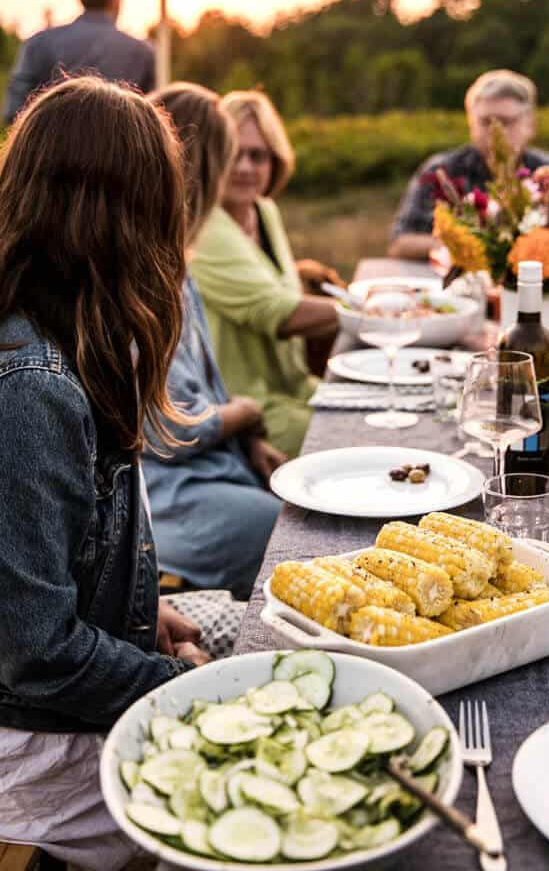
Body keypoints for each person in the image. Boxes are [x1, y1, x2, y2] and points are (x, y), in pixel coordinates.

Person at [0, 78, 209, 868]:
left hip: (54, 701)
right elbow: (35, 653)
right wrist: (172, 686)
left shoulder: (74, 338)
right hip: (32, 749)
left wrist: (143, 609)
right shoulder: (29, 390)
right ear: (123, 215)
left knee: (274, 638)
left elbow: (41, 569)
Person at [143, 83, 285, 598]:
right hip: (169, 493)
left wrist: (250, 442)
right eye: (226, 161)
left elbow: (205, 387)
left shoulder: (181, 268)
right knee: (286, 533)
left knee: (306, 512)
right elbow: (164, 432)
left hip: (216, 466)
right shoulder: (143, 283)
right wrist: (244, 414)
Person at [191, 89, 340, 459]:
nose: (244, 167)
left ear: (275, 160)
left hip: (294, 388)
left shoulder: (264, 211)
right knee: (346, 438)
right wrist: (375, 311)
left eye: (257, 155)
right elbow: (276, 312)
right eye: (232, 154)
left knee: (379, 413)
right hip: (245, 405)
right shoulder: (204, 226)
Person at [388, 68, 549, 260]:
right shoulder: (441, 171)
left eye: (506, 122)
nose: (495, 132)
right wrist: (469, 246)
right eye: (485, 122)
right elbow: (401, 242)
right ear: (470, 123)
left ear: (530, 124)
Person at [4, 0, 155, 122]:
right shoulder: (142, 52)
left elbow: (14, 111)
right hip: (120, 146)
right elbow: (154, 119)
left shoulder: (38, 43)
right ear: (115, 0)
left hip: (51, 145)